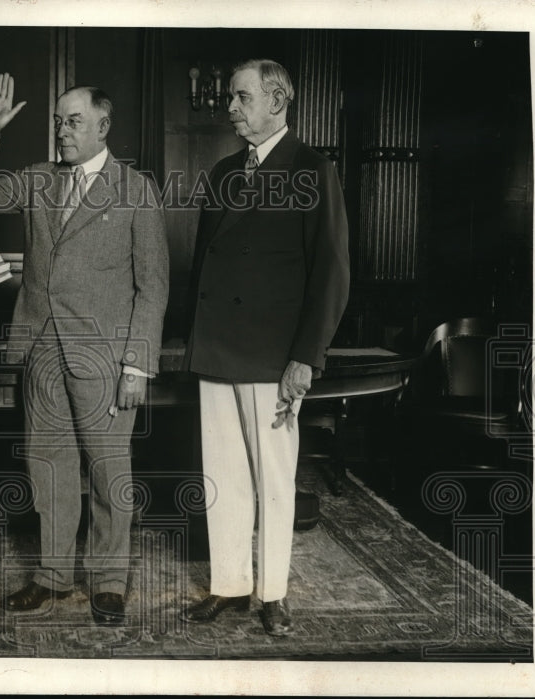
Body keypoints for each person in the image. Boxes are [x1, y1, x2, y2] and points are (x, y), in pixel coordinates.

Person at [0, 74, 169, 626]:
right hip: (42, 351)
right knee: (48, 470)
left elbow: (154, 285)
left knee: (107, 471)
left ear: (103, 126)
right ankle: (52, 576)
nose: (61, 131)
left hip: (105, 358)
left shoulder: (136, 189)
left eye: (72, 121)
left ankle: (109, 582)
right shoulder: (37, 179)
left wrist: (138, 364)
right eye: (56, 121)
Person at [180, 59, 349, 635]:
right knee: (221, 474)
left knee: (274, 480)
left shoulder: (312, 167)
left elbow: (331, 270)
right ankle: (229, 584)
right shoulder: (225, 169)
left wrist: (307, 356)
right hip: (218, 349)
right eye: (231, 96)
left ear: (278, 101)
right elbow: (204, 265)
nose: (230, 107)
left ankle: (272, 593)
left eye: (241, 97)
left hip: (275, 356)